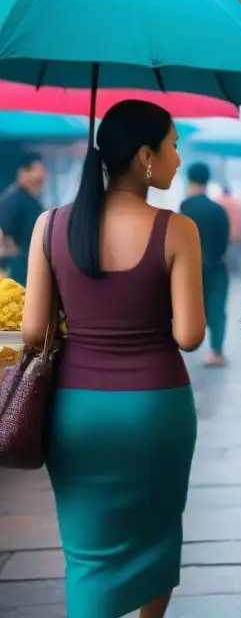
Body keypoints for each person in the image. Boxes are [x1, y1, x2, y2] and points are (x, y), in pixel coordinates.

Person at [21, 100, 205, 618]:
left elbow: (33, 332)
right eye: (172, 146)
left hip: (77, 413)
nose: (177, 157)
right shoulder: (176, 230)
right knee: (157, 534)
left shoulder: (49, 226)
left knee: (86, 553)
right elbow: (189, 336)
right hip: (155, 410)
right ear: (145, 156)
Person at [181, 163, 231, 367]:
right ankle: (216, 352)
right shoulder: (218, 209)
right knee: (217, 309)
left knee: (190, 308)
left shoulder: (185, 207)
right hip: (216, 266)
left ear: (190, 181)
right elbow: (225, 240)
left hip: (191, 268)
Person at [0, 151, 46, 285]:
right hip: (16, 271)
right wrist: (19, 255)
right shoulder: (13, 199)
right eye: (35, 171)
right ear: (22, 173)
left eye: (43, 171)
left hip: (31, 267)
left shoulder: (33, 200)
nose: (40, 176)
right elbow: (4, 235)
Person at [217, 184, 241, 275]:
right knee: (235, 253)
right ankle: (237, 271)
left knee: (223, 254)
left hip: (222, 233)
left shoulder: (218, 202)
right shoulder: (237, 203)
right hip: (235, 233)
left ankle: (227, 271)